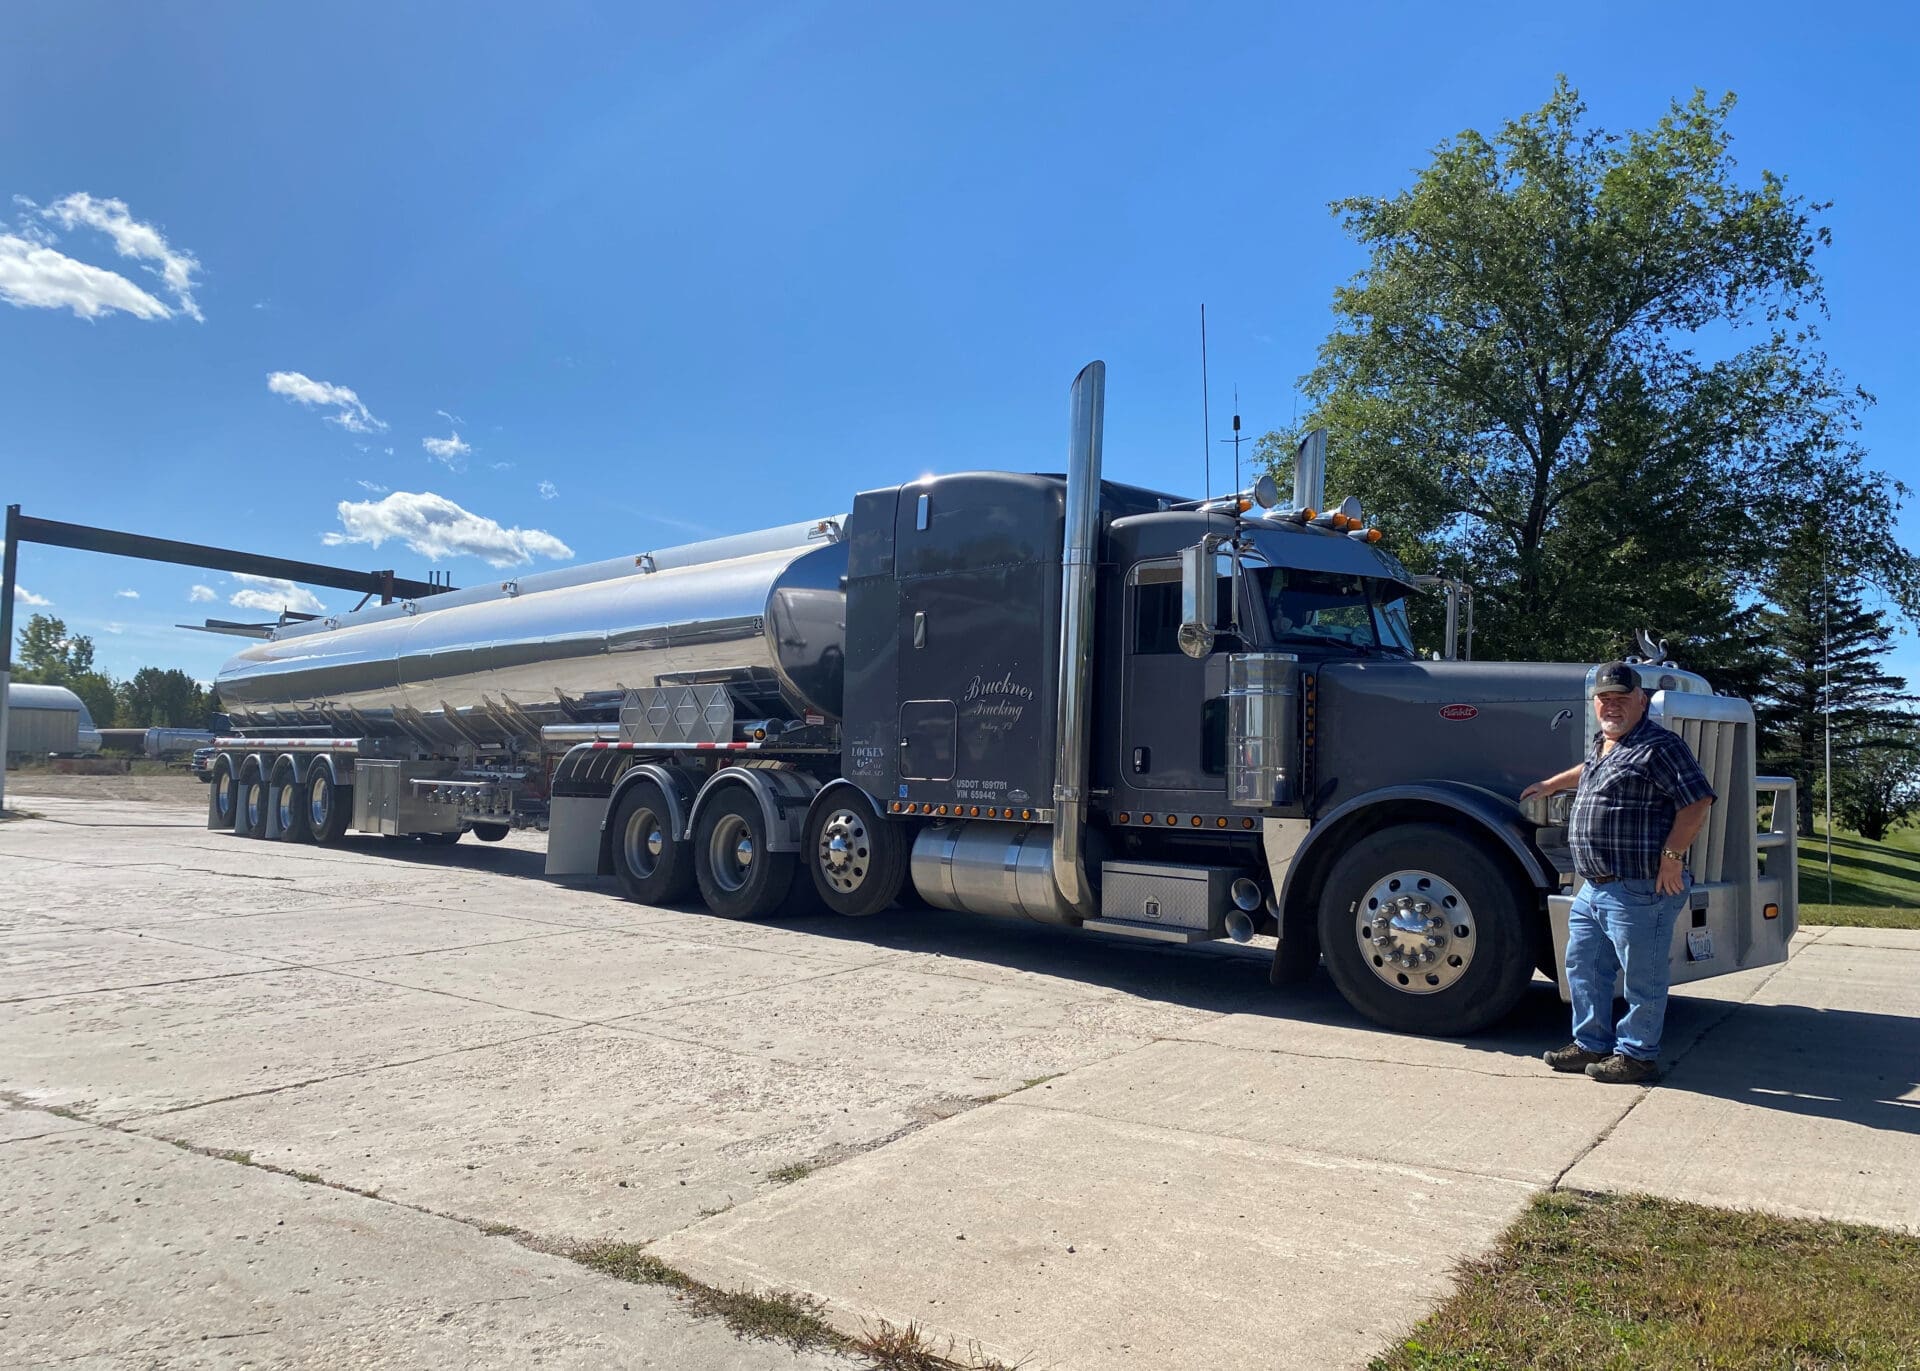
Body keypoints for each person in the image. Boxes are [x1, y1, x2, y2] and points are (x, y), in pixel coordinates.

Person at [1521, 661, 1716, 1084]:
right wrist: (1553, 783)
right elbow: (1588, 771)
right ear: (1595, 703)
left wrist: (1672, 856)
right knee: (1584, 966)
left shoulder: (1660, 746)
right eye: (1604, 699)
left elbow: (1697, 801)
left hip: (1641, 885)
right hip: (1594, 886)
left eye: (1621, 698)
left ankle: (1638, 1056)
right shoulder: (1604, 742)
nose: (1612, 706)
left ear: (1641, 701)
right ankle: (1590, 1043)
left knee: (1642, 976)